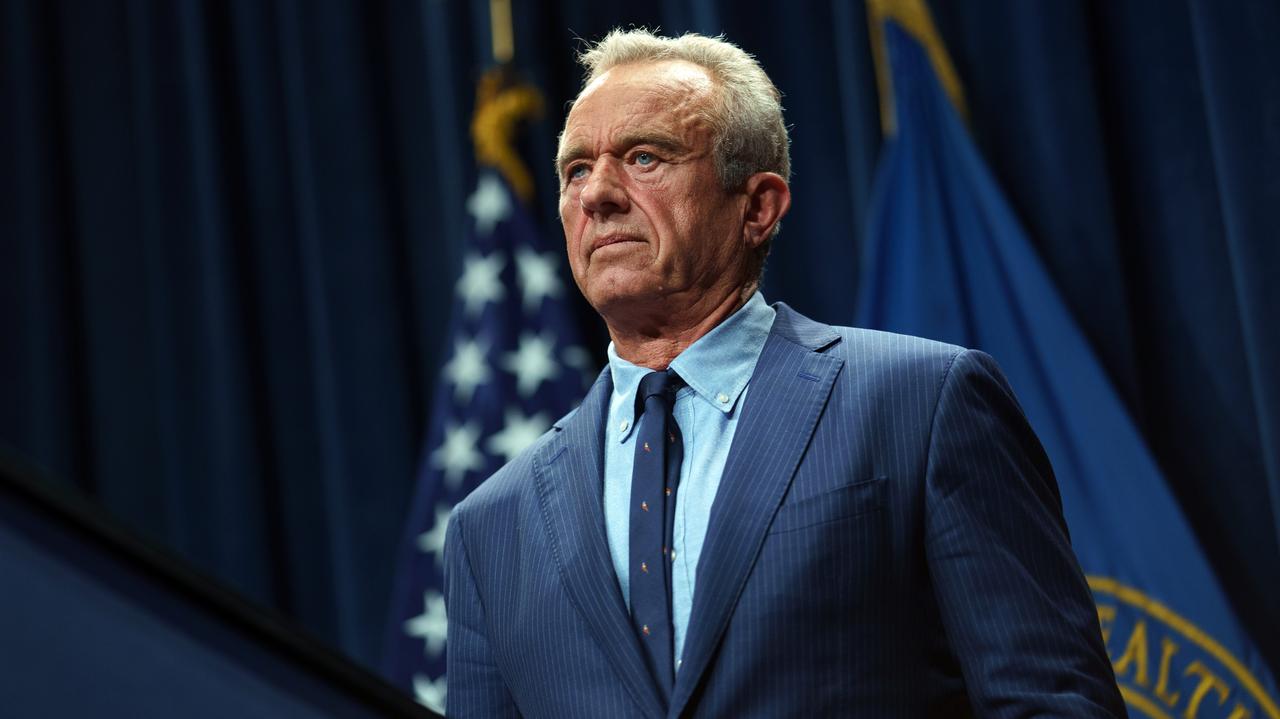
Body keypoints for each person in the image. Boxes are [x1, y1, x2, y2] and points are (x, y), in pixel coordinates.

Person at [444, 29, 1125, 718]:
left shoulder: (921, 404)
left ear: (758, 207)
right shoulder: (491, 526)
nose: (597, 195)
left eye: (644, 157)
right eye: (576, 170)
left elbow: (1053, 703)